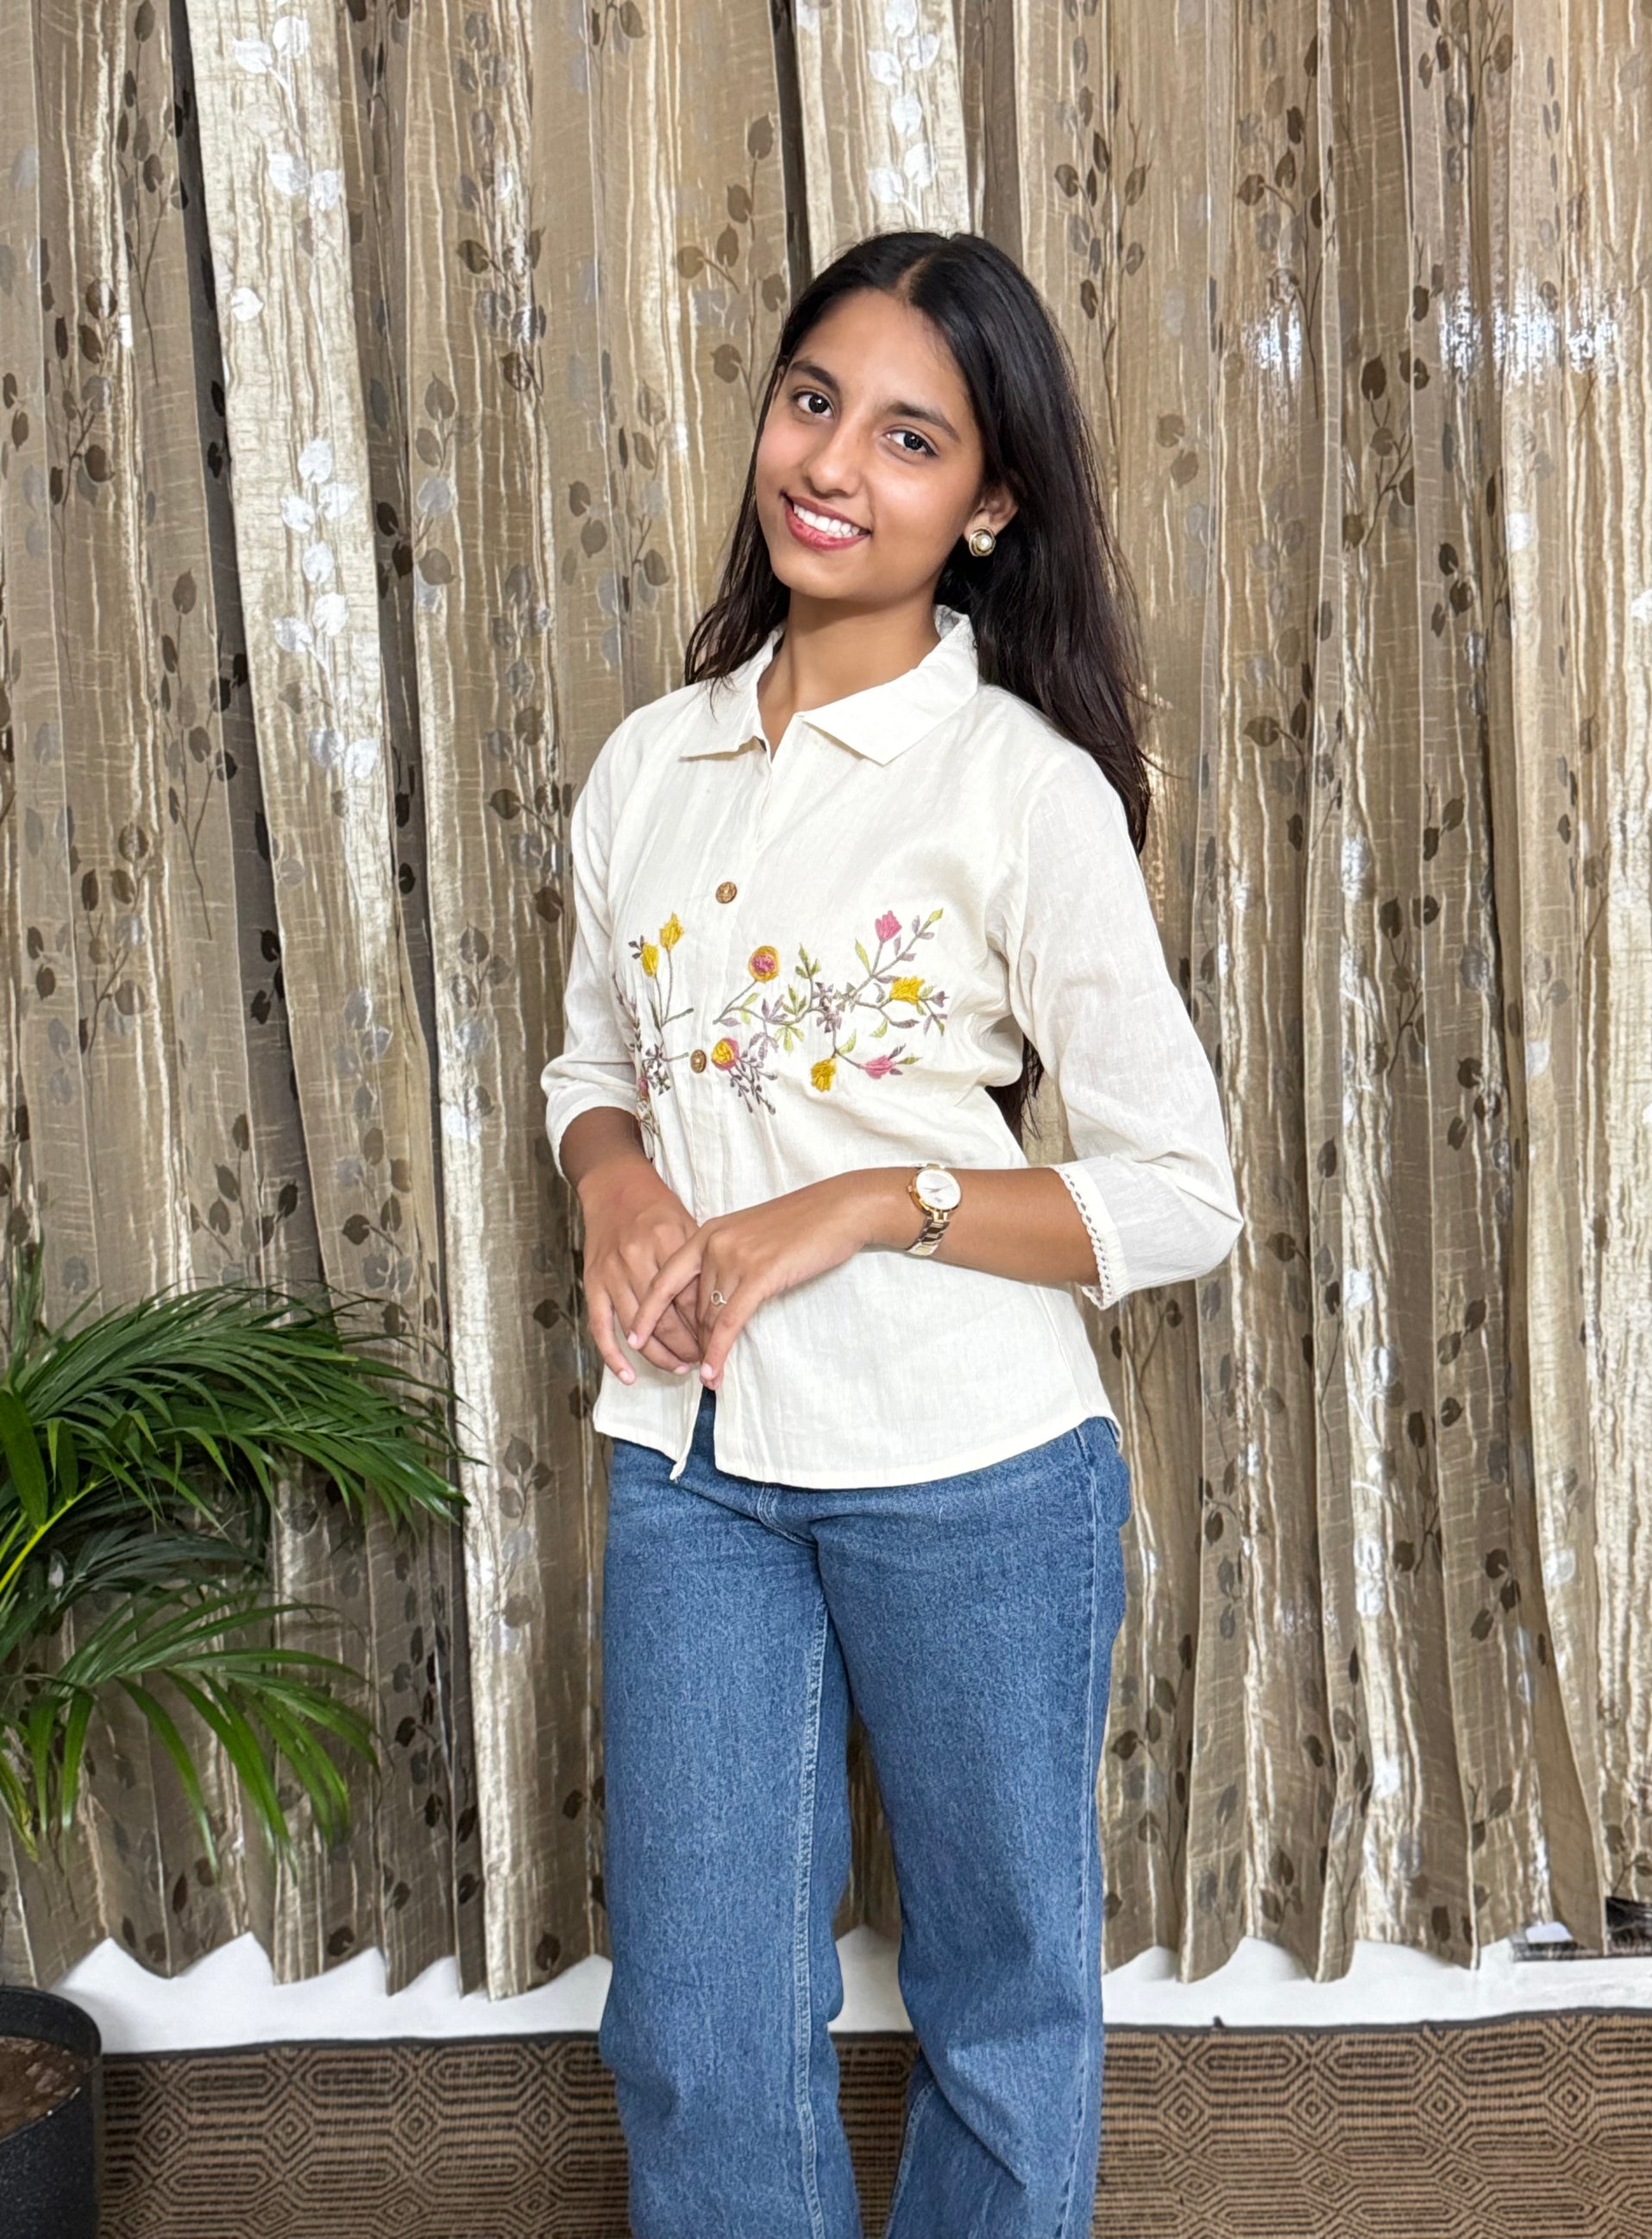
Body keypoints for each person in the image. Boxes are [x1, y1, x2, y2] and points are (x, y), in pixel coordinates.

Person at [540, 229, 1241, 2239]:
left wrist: (868, 1198)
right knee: (692, 2019)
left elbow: (1180, 1190)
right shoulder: (647, 765)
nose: (833, 462)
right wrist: (615, 1179)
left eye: (910, 436)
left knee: (1000, 1999)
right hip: (692, 1457)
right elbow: (590, 1060)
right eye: (812, 399)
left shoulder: (1020, 787)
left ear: (989, 504)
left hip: (976, 1469)